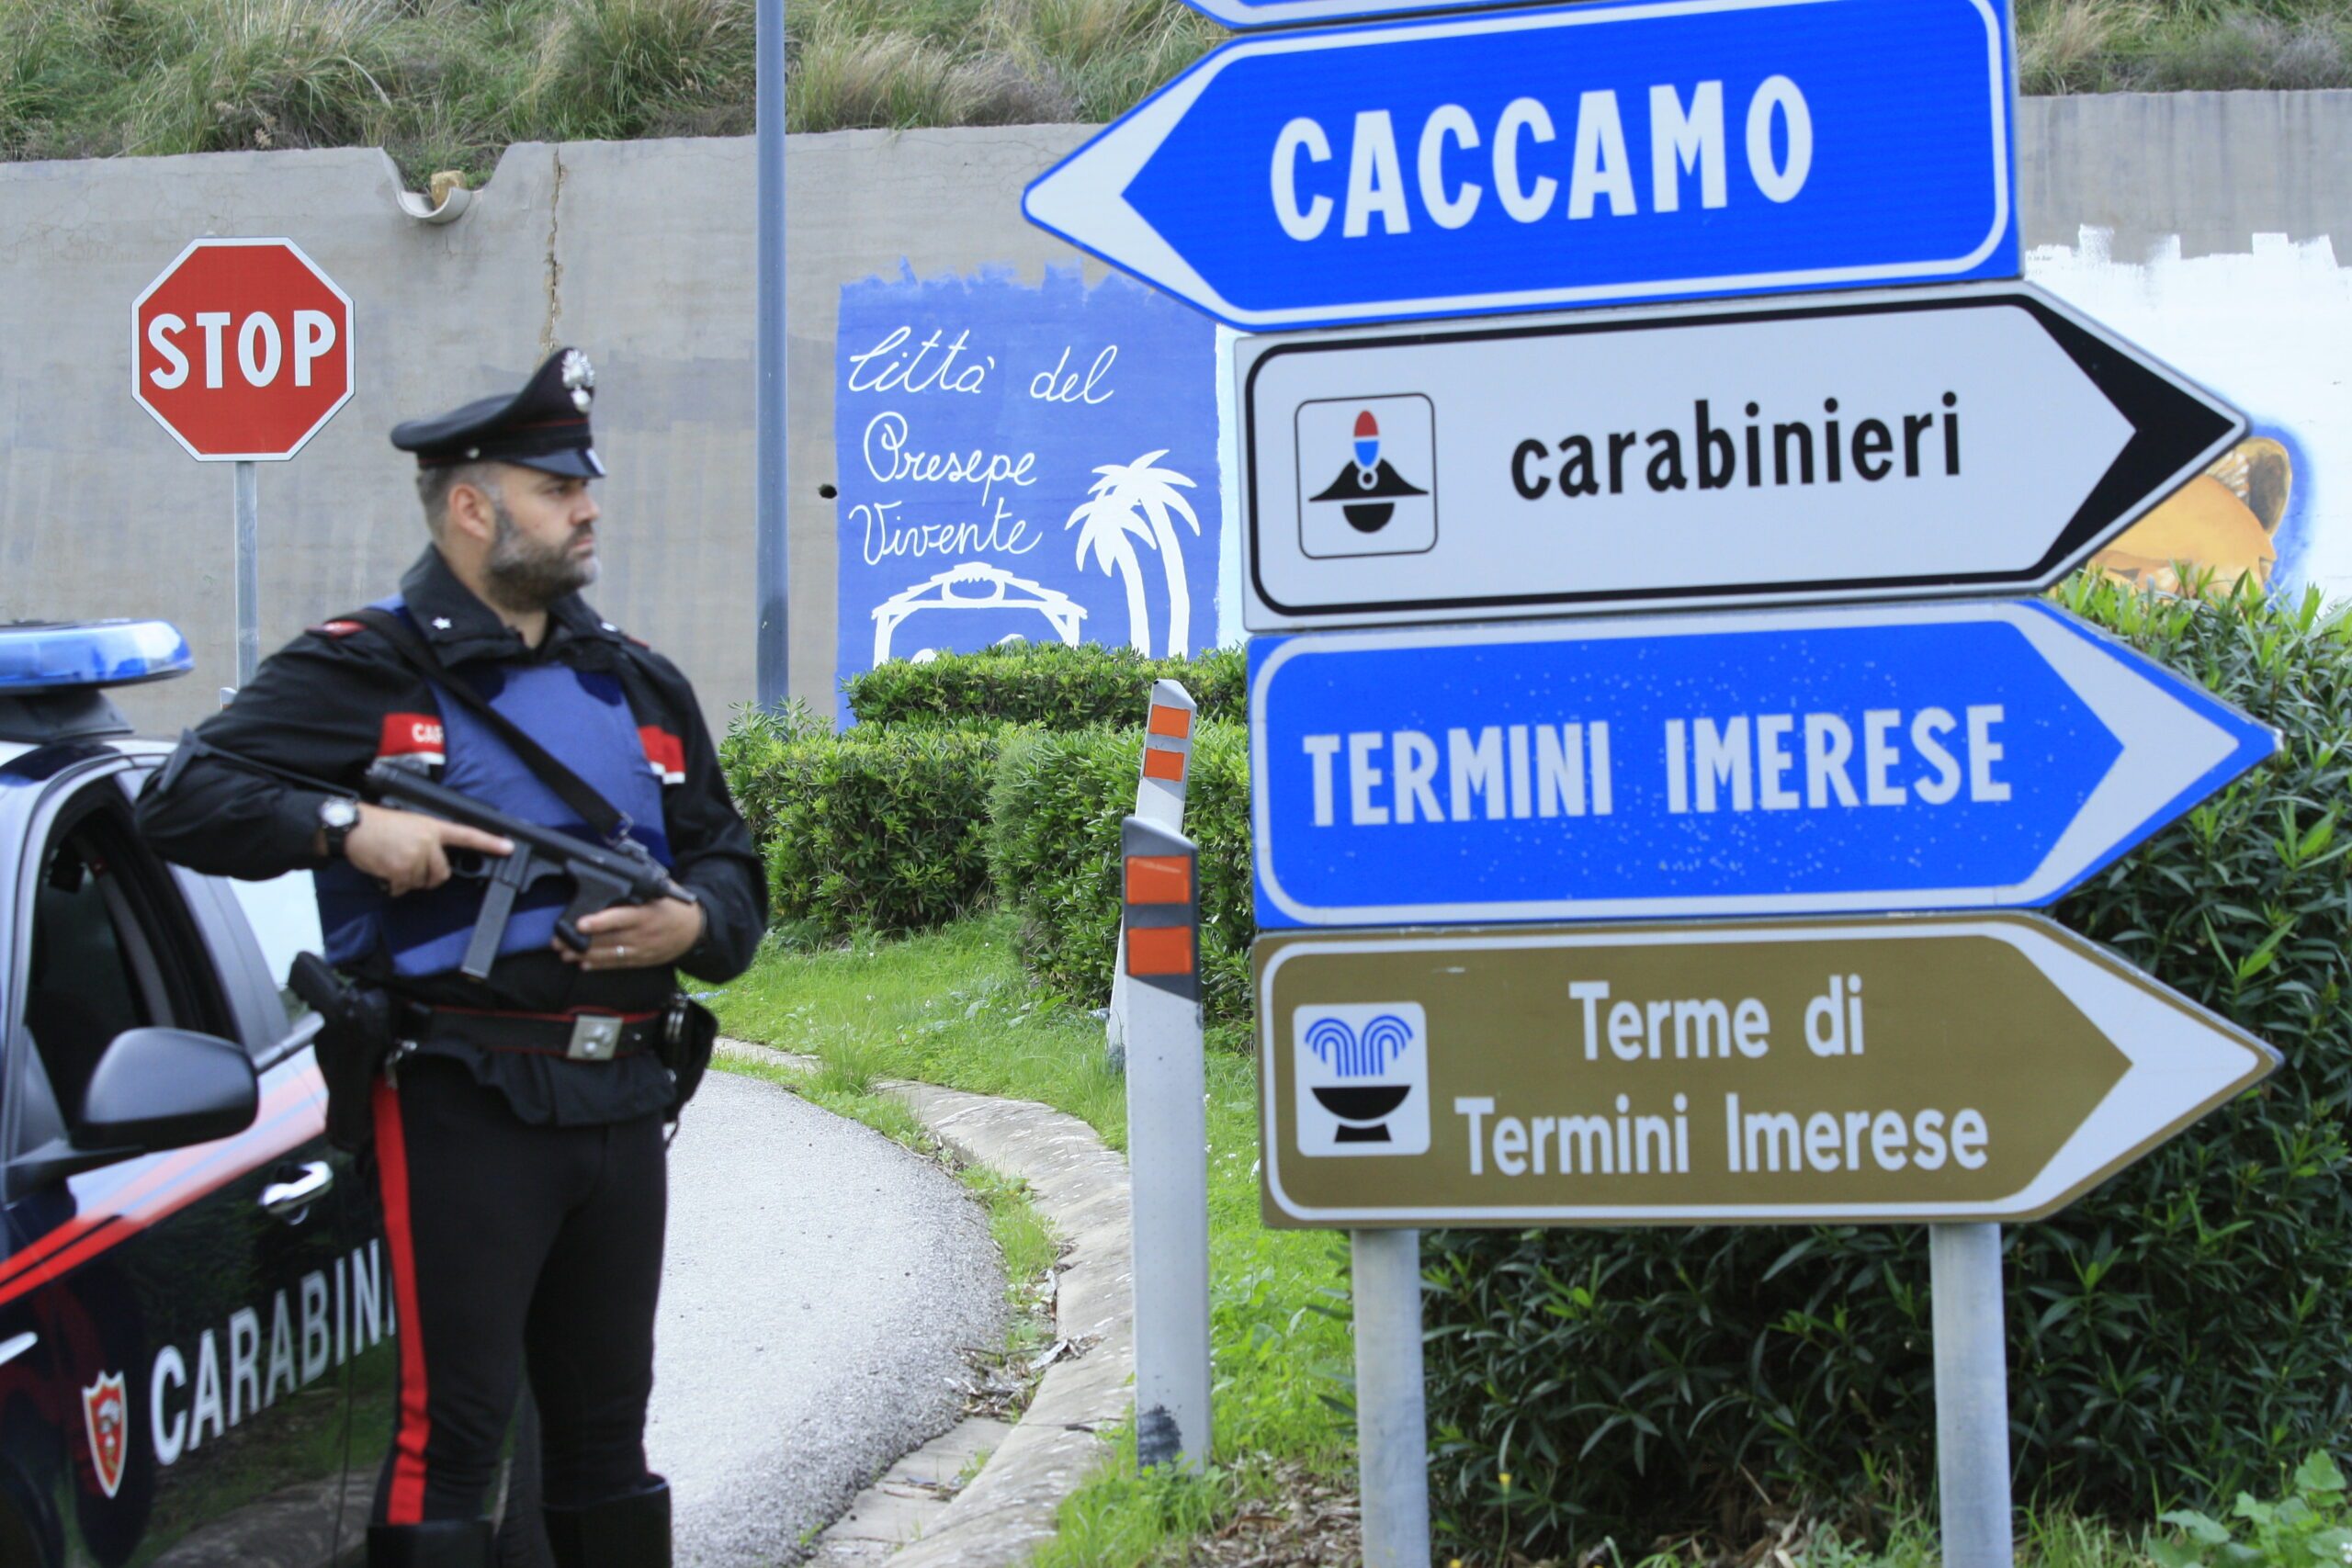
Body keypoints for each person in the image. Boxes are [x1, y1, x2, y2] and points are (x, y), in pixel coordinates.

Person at [137, 348, 765, 1568]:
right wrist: (347, 827)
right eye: (555, 487)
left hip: (625, 1094)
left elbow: (734, 872)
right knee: (454, 1433)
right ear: (474, 508)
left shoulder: (635, 681)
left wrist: (692, 926)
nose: (588, 508)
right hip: (459, 1096)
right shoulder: (362, 668)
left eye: (587, 486)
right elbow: (184, 794)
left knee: (608, 1437)